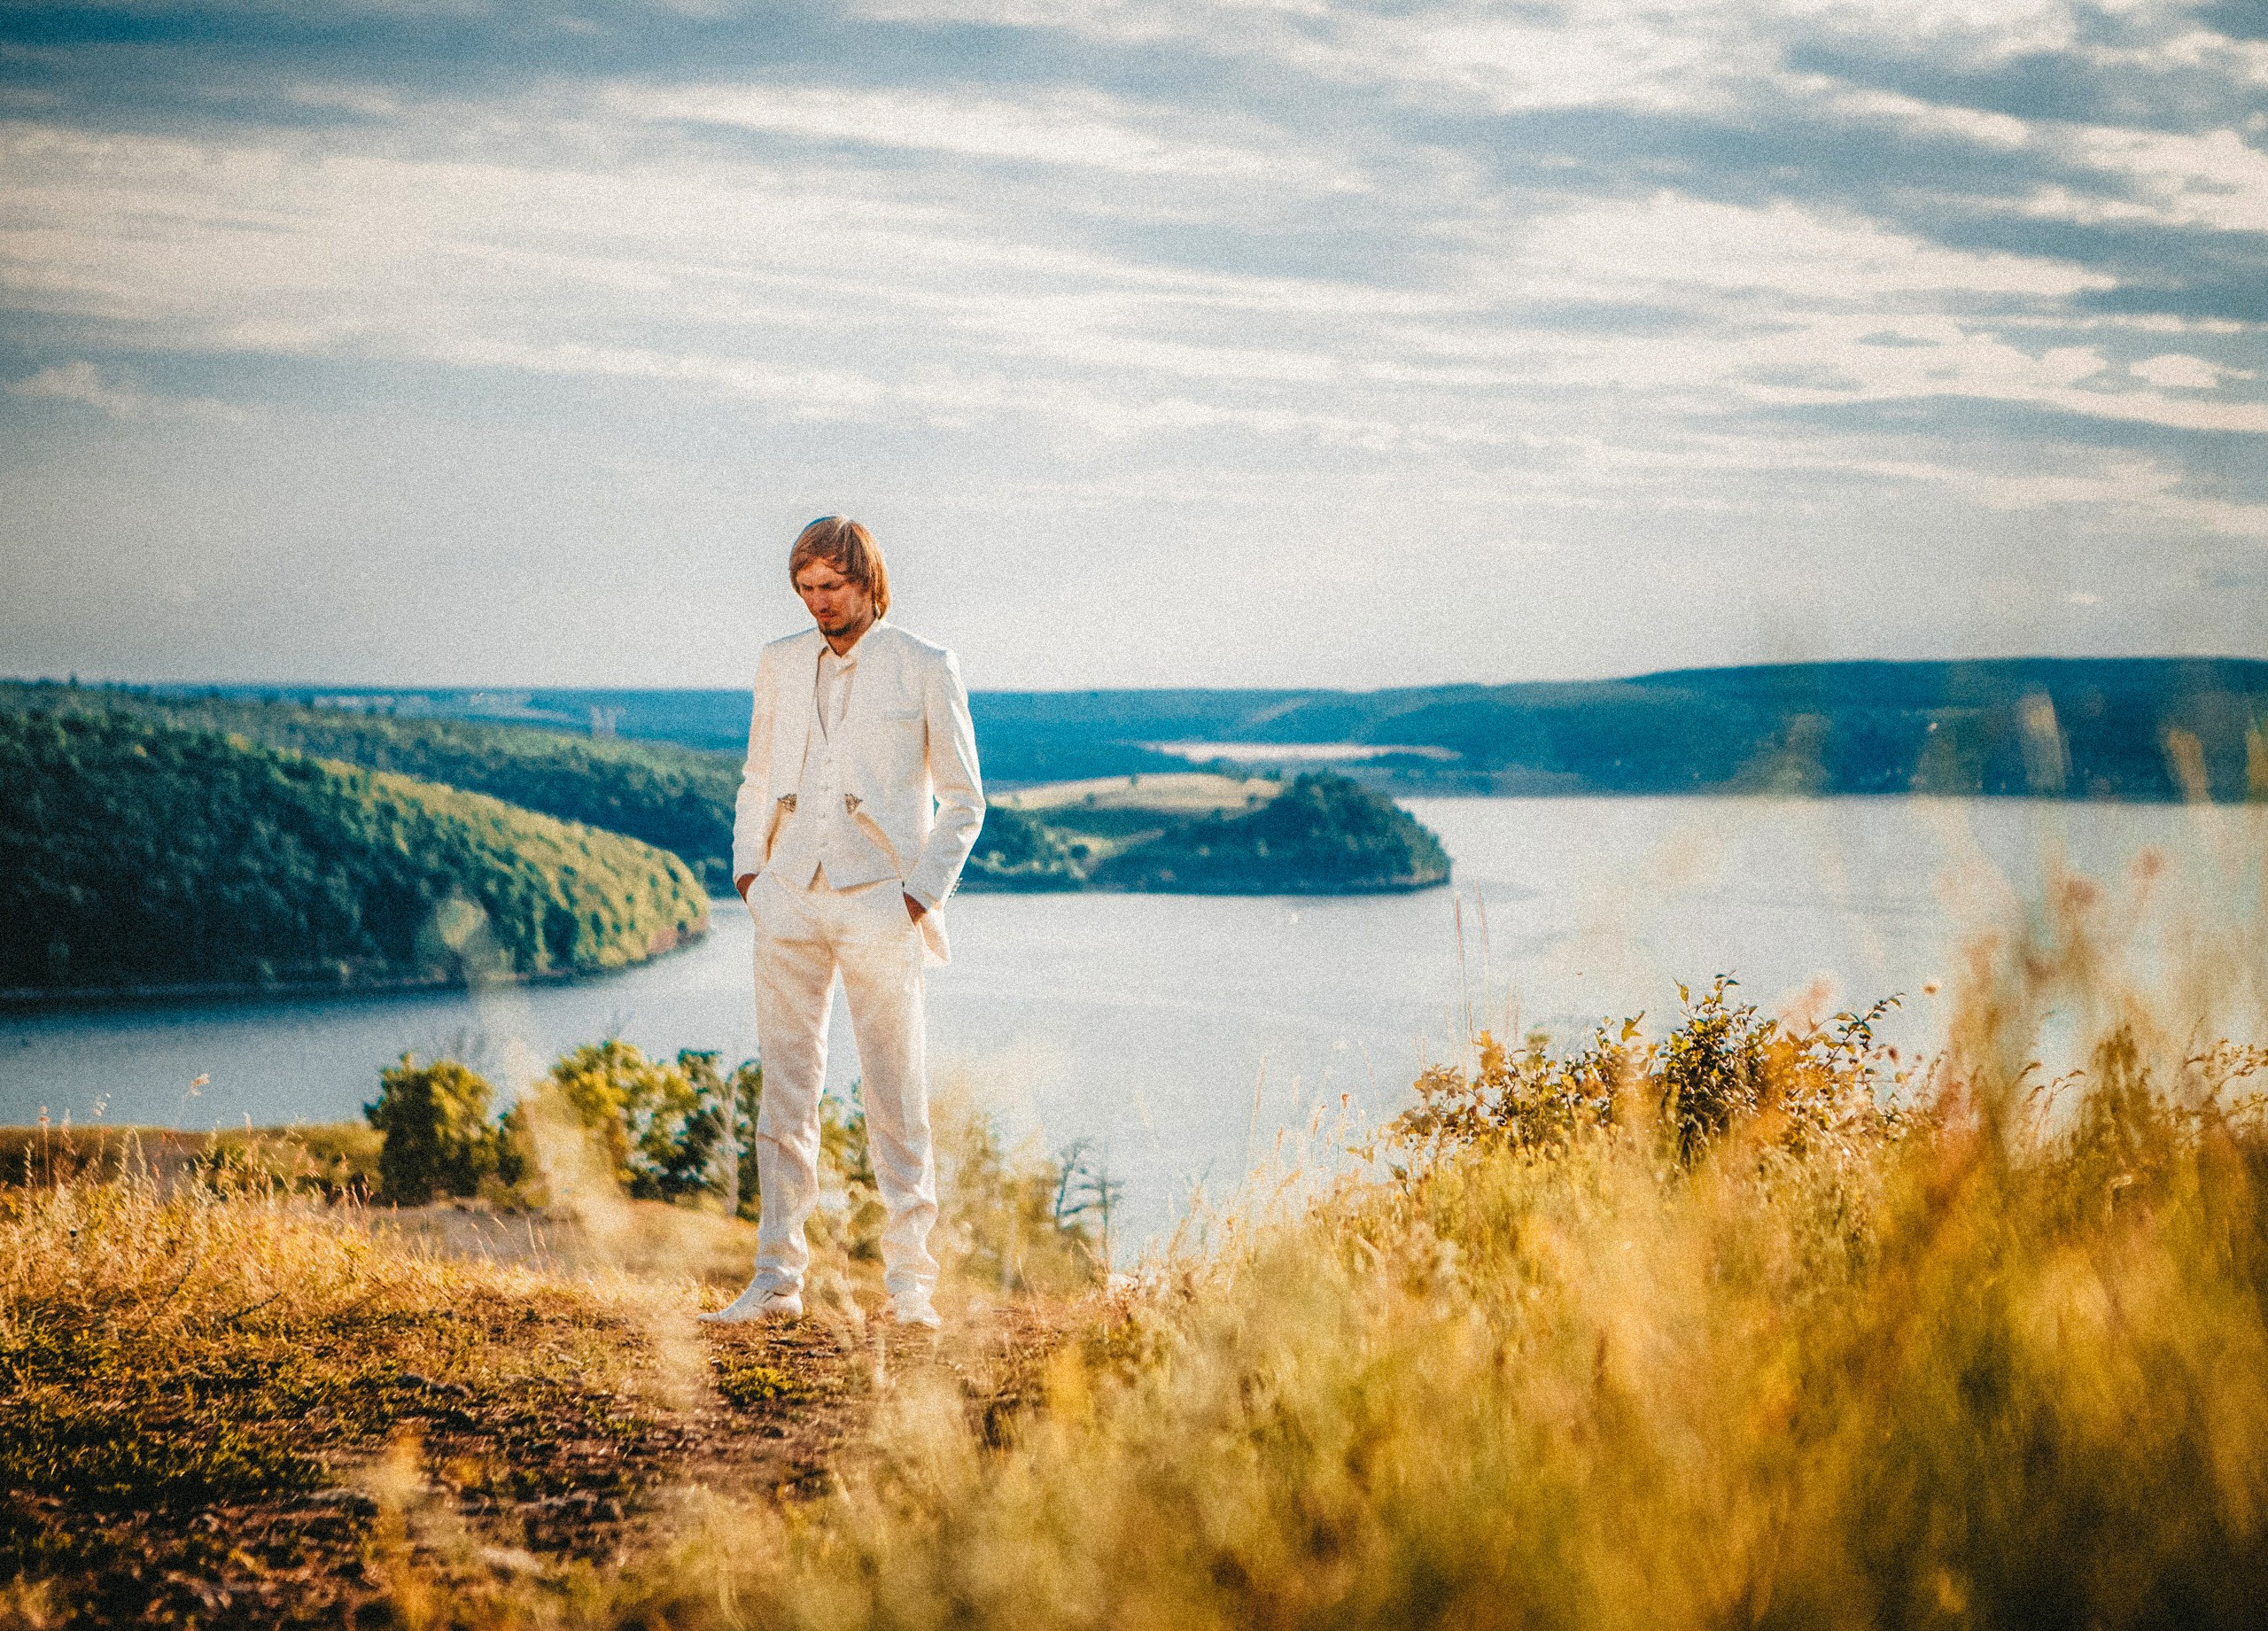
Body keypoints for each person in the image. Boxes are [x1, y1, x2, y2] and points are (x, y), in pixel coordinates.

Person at [700, 516, 983, 1331]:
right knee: (784, 1093)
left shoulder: (926, 665)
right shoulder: (780, 662)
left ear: (868, 583)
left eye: (833, 587)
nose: (819, 604)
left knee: (896, 1094)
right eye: (807, 589)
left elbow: (965, 800)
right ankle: (777, 1277)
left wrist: (916, 895)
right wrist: (749, 875)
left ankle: (910, 1289)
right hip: (786, 896)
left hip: (880, 903)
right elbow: (758, 774)